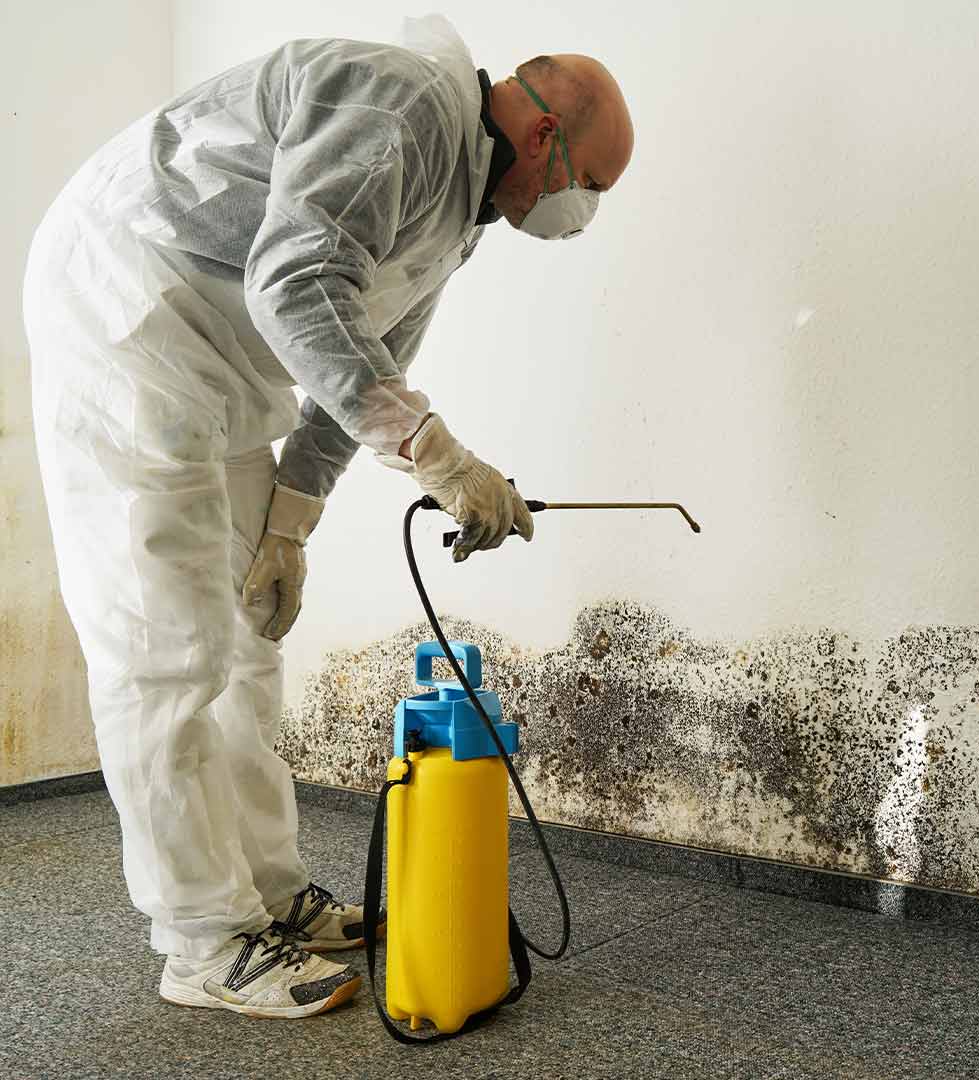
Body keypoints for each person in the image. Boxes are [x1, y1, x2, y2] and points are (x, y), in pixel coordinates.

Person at [22, 15, 634, 1019]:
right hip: (129, 319)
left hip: (216, 362)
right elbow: (297, 286)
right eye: (591, 184)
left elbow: (365, 366)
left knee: (248, 642)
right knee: (165, 650)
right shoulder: (399, 109)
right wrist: (444, 463)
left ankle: (270, 895)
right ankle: (201, 938)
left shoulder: (458, 211)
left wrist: (290, 526)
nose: (581, 210)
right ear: (543, 141)